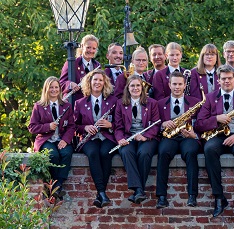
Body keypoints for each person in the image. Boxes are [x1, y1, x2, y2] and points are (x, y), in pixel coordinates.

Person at [195, 64, 234, 217]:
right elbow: (200, 124)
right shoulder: (209, 98)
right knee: (209, 149)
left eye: (229, 78)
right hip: (218, 135)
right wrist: (216, 119)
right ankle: (219, 197)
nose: (227, 81)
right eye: (223, 79)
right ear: (218, 81)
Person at [156, 70, 202, 208]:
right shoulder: (160, 103)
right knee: (163, 153)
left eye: (180, 84)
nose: (177, 87)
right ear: (169, 85)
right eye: (174, 84)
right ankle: (162, 196)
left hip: (188, 137)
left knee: (191, 153)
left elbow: (201, 121)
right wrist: (163, 124)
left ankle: (192, 196)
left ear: (184, 85)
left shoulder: (195, 102)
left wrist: (193, 131)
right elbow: (154, 122)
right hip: (169, 137)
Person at [74, 69, 119, 208]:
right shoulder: (80, 103)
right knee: (93, 153)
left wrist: (110, 124)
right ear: (89, 82)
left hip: (107, 136)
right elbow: (74, 125)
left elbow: (121, 123)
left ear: (104, 83)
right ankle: (102, 193)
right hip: (89, 138)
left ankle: (101, 193)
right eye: (95, 80)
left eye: (100, 80)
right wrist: (85, 128)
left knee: (105, 153)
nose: (98, 82)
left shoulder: (113, 101)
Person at [115, 74, 161, 204]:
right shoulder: (120, 104)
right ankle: (140, 190)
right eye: (132, 85)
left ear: (142, 87)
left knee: (144, 153)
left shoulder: (152, 103)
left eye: (138, 85)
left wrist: (145, 136)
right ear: (127, 88)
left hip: (147, 137)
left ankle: (137, 190)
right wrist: (120, 139)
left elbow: (156, 124)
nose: (135, 88)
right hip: (128, 136)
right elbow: (118, 126)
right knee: (126, 152)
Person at [29, 76, 75, 199]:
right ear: (46, 89)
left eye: (56, 87)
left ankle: (57, 185)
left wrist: (65, 140)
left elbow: (71, 126)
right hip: (46, 139)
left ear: (60, 89)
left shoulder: (66, 106)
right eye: (51, 87)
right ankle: (54, 185)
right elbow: (32, 127)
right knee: (53, 155)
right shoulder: (39, 106)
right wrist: (47, 126)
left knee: (66, 153)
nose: (54, 90)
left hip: (61, 139)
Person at [60, 33, 101, 105]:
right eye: (88, 47)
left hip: (90, 105)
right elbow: (61, 84)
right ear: (82, 46)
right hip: (73, 104)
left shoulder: (97, 65)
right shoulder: (72, 63)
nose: (91, 51)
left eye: (94, 48)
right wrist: (70, 84)